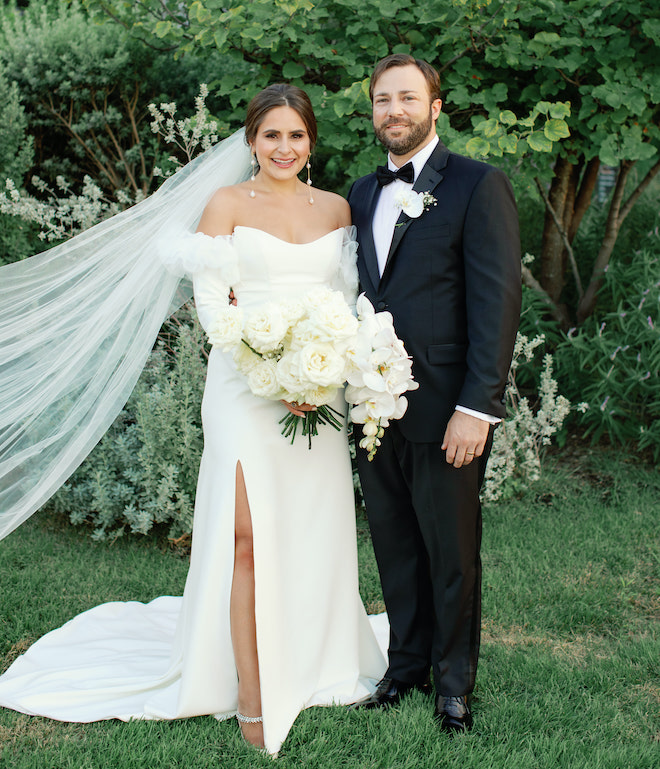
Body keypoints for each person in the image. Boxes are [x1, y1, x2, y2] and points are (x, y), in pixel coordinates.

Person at [0, 84, 386, 756]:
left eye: (296, 135)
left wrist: (323, 375)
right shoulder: (228, 204)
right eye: (271, 136)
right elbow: (213, 306)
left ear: (311, 142)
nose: (284, 148)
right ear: (251, 141)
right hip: (244, 384)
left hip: (318, 389)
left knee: (310, 526)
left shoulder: (337, 209)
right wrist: (270, 370)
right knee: (243, 535)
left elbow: (346, 301)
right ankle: (251, 690)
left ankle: (313, 653)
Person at [348, 55, 521, 731]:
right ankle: (406, 666)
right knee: (394, 543)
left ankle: (454, 685)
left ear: (435, 107)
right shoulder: (362, 193)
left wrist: (476, 408)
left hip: (449, 407)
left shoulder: (479, 186)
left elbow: (496, 302)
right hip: (375, 408)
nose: (394, 109)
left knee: (451, 551)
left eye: (407, 97)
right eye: (382, 99)